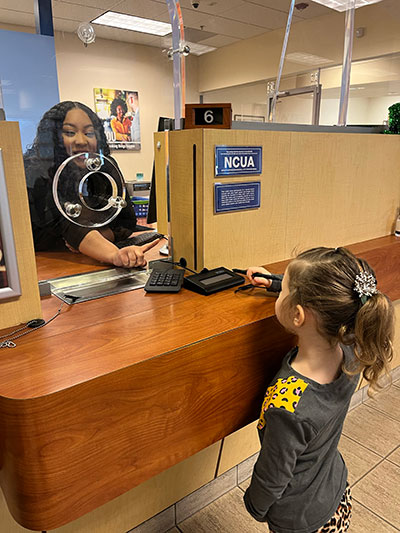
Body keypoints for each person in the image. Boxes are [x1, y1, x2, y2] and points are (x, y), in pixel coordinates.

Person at [244, 246, 395, 533]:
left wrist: (255, 505)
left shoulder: (288, 403)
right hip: (335, 493)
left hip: (300, 520)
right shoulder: (352, 352)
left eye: (284, 290)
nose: (281, 291)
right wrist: (277, 282)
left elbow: (272, 477)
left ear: (298, 315)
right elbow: (332, 295)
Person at [24, 101, 158, 268]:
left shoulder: (103, 167)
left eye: (89, 133)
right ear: (52, 137)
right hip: (45, 265)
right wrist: (114, 254)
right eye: (69, 132)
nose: (81, 141)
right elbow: (67, 224)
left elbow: (126, 221)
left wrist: (99, 237)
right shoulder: (36, 173)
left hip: (85, 261)